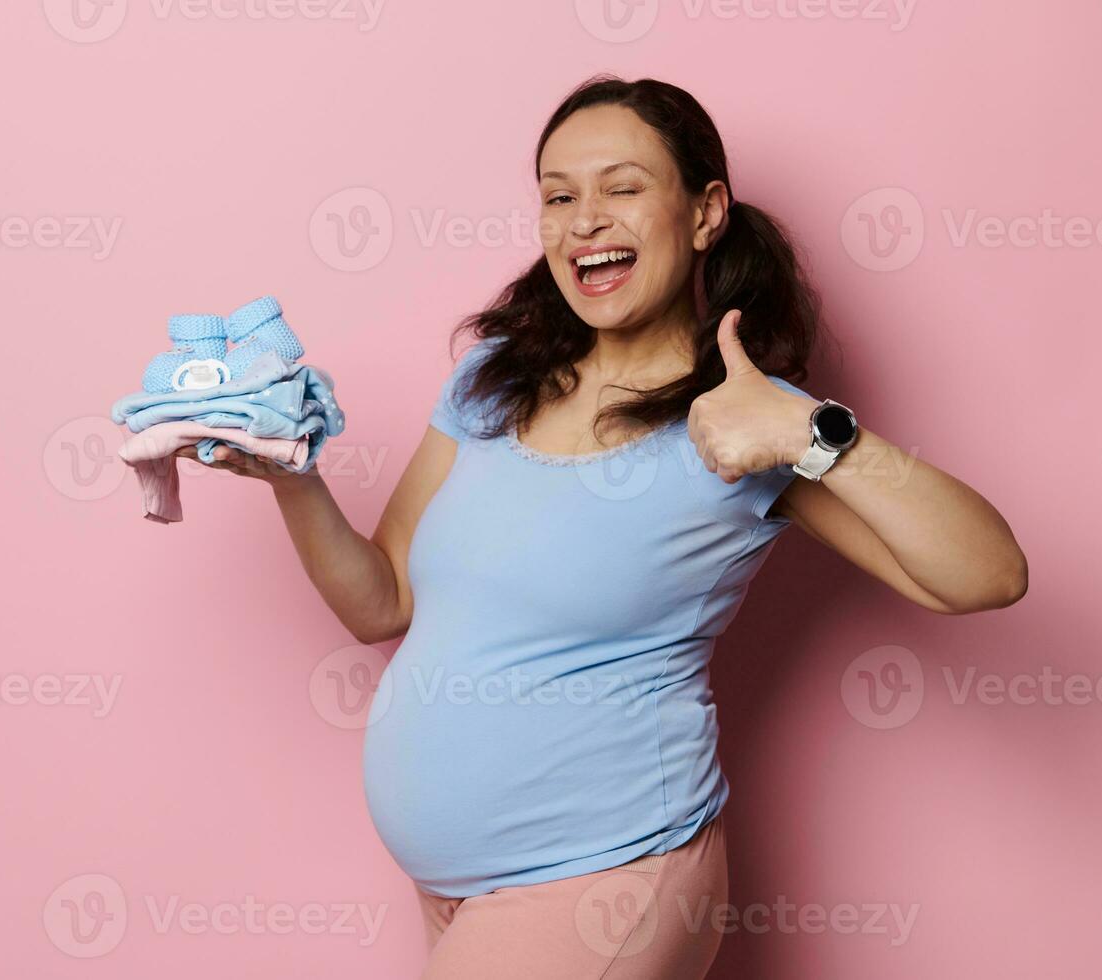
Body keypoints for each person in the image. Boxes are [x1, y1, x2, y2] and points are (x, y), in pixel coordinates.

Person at [174, 75, 1028, 978]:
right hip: (460, 893)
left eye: (621, 187)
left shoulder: (747, 420)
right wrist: (291, 478)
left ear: (704, 213)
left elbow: (985, 575)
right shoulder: (492, 378)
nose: (584, 220)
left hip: (607, 875)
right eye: (557, 195)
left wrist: (814, 436)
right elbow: (381, 602)